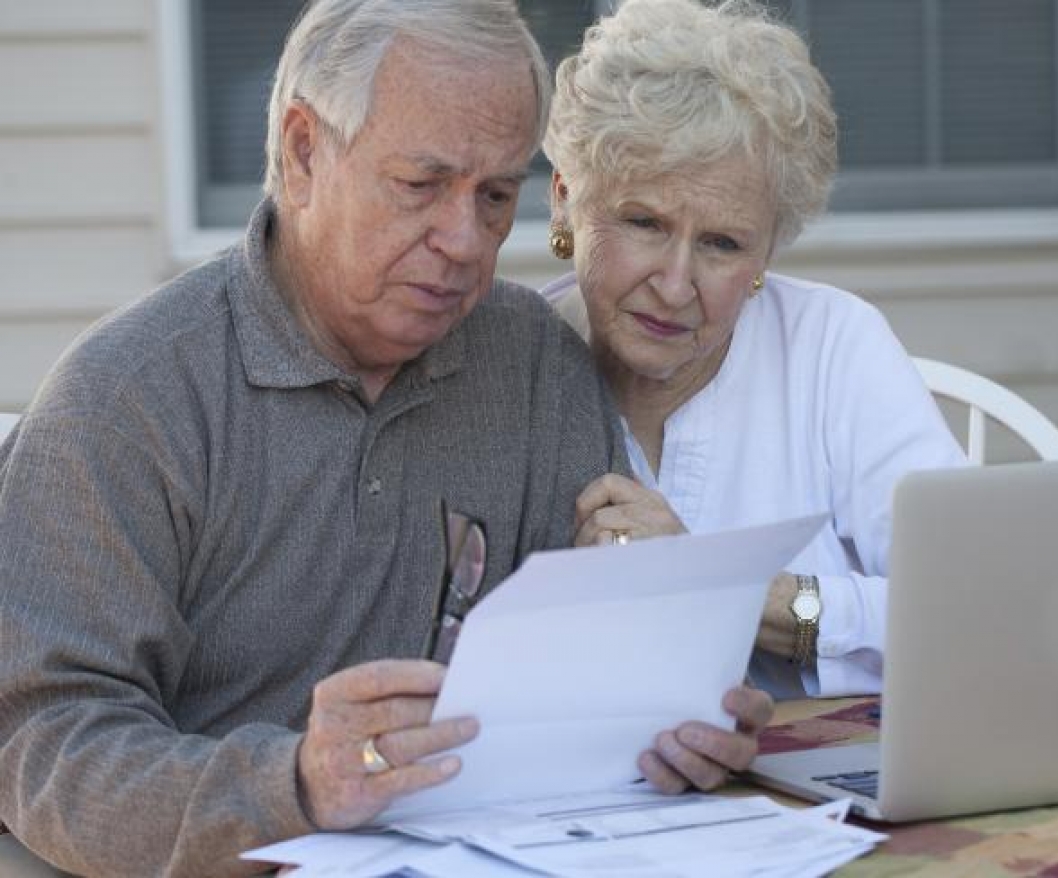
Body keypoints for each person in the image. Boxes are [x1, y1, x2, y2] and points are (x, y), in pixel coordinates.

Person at [0, 2, 772, 875]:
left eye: (493, 196)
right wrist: (294, 782)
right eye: (420, 184)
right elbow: (42, 745)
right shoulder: (126, 402)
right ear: (303, 155)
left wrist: (666, 719)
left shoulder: (535, 367)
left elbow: (580, 692)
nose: (464, 240)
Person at [541, 0, 967, 701]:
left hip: (838, 783)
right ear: (565, 202)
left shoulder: (832, 346)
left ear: (768, 250)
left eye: (723, 243)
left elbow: (971, 603)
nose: (676, 285)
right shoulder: (509, 369)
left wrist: (722, 588)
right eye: (644, 222)